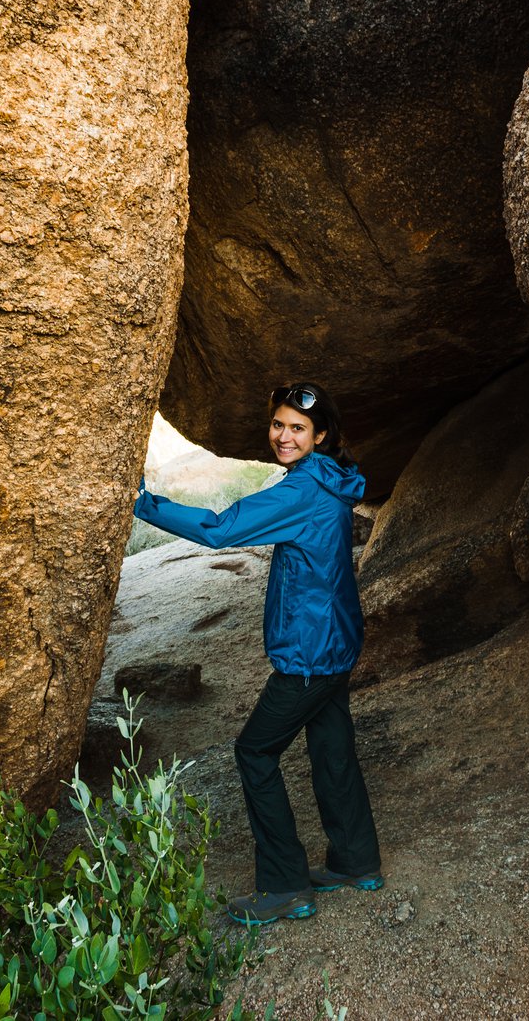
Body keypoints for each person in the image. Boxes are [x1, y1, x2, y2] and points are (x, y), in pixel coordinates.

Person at [133, 382, 382, 924]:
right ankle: (356, 860)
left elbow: (221, 530)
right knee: (332, 747)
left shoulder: (300, 491)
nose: (283, 436)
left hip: (310, 653)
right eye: (278, 424)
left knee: (254, 751)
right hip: (338, 643)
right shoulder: (332, 481)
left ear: (321, 435)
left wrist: (141, 503)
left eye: (297, 428)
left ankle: (285, 885)